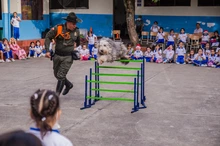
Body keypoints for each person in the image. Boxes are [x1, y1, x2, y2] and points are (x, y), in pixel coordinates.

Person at [44, 12, 81, 95]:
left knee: (61, 75)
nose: (75, 25)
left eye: (76, 24)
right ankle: (68, 85)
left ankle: (56, 97)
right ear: (68, 22)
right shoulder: (58, 28)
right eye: (73, 24)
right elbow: (48, 37)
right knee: (56, 74)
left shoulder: (77, 31)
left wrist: (76, 45)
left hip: (68, 57)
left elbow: (78, 42)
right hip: (57, 55)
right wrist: (47, 50)